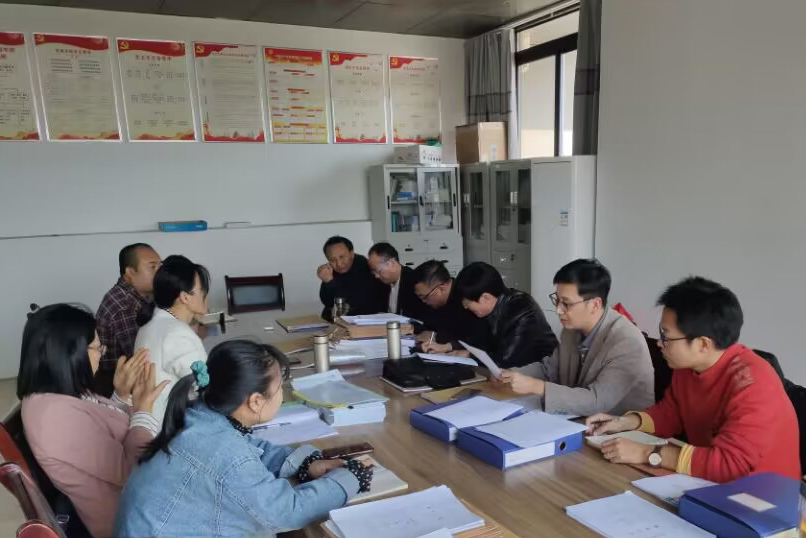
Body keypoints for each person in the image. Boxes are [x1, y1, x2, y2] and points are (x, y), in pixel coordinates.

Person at [114, 340, 372, 537]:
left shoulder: (201, 416)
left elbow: (250, 448)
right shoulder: (223, 451)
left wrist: (306, 464)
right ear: (256, 401)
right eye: (279, 388)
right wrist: (349, 479)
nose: (283, 395)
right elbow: (286, 511)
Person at [586, 276, 800, 482]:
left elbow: (731, 464)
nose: (659, 343)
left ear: (703, 344)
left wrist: (647, 453)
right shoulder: (687, 366)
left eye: (666, 337)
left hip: (759, 496)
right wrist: (626, 422)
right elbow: (672, 412)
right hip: (708, 483)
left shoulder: (753, 385)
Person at [18, 304, 167, 538]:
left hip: (141, 501)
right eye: (97, 348)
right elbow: (131, 471)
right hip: (135, 519)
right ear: (70, 354)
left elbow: (99, 428)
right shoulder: (55, 417)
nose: (102, 353)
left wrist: (122, 395)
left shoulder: (61, 394)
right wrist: (143, 411)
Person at [500, 259, 654, 416]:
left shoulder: (626, 341)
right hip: (579, 419)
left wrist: (537, 387)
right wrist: (511, 374)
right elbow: (550, 370)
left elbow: (596, 401)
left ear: (595, 304)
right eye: (557, 300)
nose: (558, 310)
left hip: (619, 425)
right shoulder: (571, 330)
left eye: (566, 303)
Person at [135, 255, 210, 426]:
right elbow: (204, 388)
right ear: (185, 297)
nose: (206, 294)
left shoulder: (151, 324)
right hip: (172, 427)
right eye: (202, 290)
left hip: (150, 421)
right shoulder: (178, 334)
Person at [454, 262, 557, 368]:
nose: (465, 307)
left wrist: (469, 356)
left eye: (467, 302)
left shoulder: (522, 310)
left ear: (486, 298)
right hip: (513, 372)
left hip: (541, 373)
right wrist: (453, 347)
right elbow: (477, 339)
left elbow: (505, 361)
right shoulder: (488, 310)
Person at [95, 243, 161, 396]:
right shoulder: (124, 306)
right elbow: (142, 357)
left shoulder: (141, 295)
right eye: (153, 267)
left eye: (160, 266)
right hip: (116, 387)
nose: (160, 273)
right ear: (130, 272)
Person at [412, 259, 493, 353]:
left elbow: (479, 338)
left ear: (441, 289)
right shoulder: (437, 301)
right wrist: (416, 329)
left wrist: (446, 343)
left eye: (424, 297)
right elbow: (431, 324)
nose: (423, 301)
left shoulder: (467, 297)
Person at [317, 236, 386, 321]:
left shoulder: (365, 267)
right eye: (332, 260)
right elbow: (328, 302)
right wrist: (327, 283)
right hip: (338, 321)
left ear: (352, 254)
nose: (338, 264)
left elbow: (352, 302)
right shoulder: (330, 270)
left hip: (364, 321)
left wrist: (331, 282)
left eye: (342, 257)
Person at [367, 242, 429, 321]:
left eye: (378, 271)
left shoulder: (413, 281)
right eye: (373, 272)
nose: (376, 276)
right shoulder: (380, 283)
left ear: (392, 263)